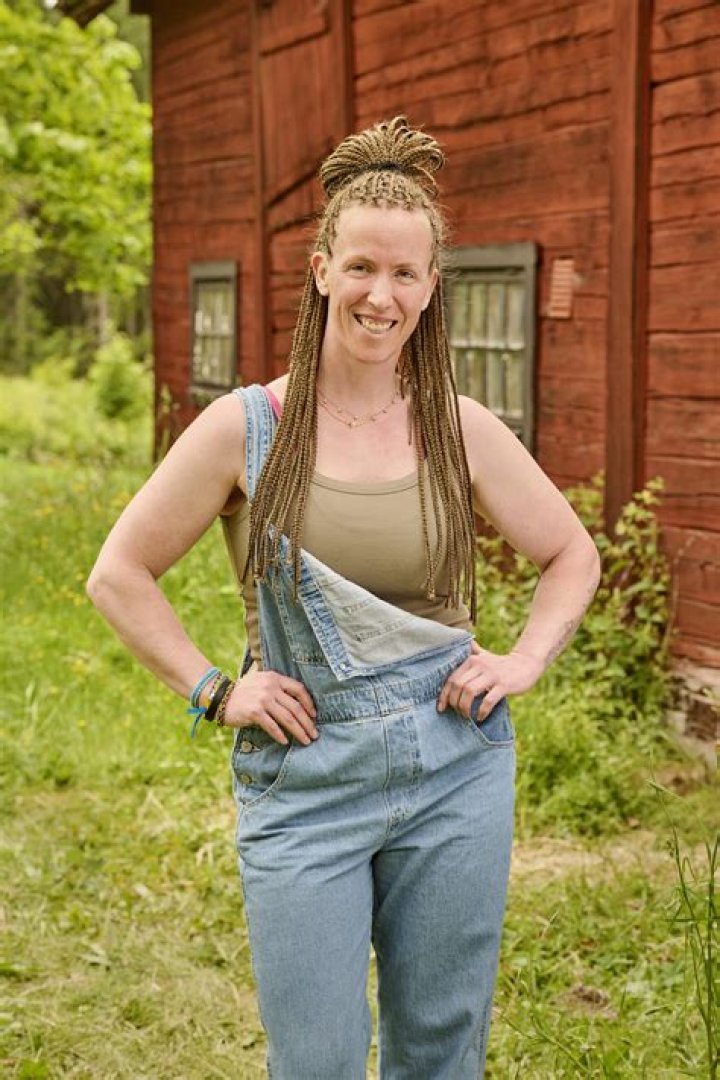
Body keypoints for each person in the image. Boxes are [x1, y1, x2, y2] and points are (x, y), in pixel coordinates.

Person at [88, 116, 601, 1078]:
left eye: (405, 273)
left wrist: (526, 659)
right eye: (362, 267)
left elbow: (570, 554)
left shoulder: (460, 427)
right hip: (306, 778)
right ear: (322, 270)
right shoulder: (246, 428)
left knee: (441, 1050)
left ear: (431, 286)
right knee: (317, 1058)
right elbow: (118, 574)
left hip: (456, 769)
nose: (381, 294)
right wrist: (215, 690)